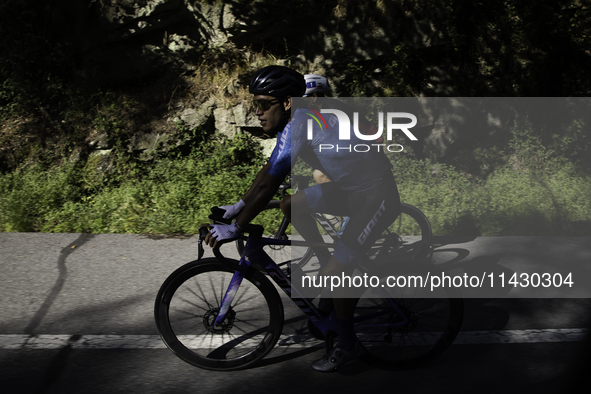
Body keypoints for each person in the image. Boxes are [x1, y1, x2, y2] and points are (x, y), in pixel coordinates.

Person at [203, 65, 401, 372]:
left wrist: (236, 227)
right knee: (289, 204)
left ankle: (348, 344)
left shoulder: (302, 123)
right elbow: (268, 173)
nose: (258, 112)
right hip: (349, 189)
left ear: (285, 103)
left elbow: (269, 182)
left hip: (376, 198)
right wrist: (236, 206)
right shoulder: (293, 124)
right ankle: (328, 267)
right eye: (255, 104)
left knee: (337, 276)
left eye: (264, 104)